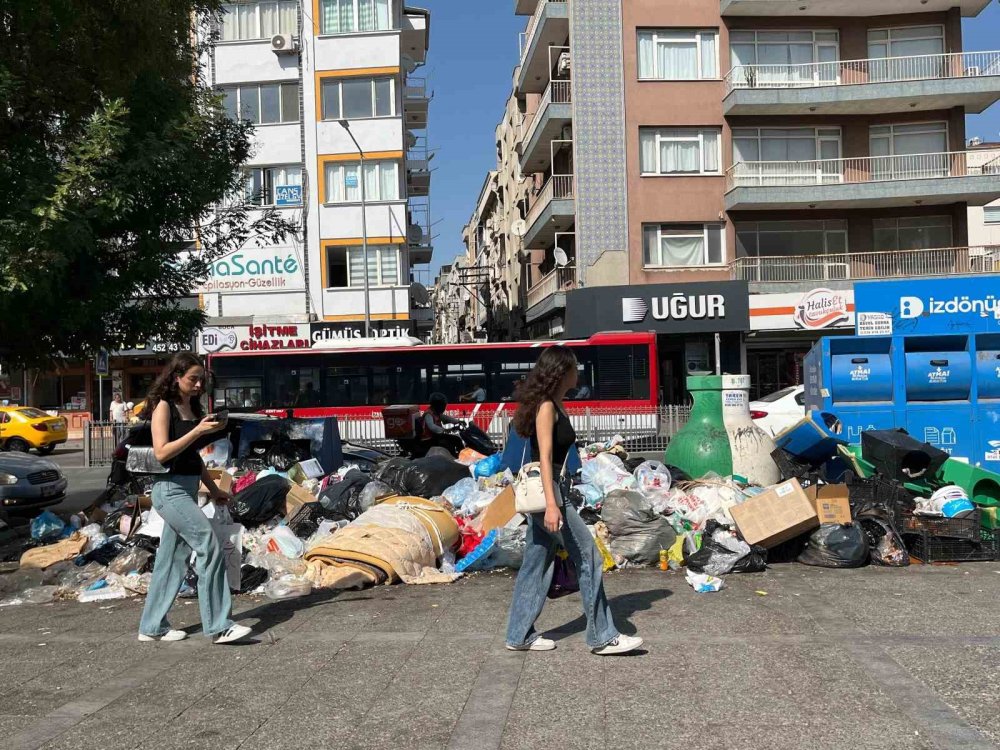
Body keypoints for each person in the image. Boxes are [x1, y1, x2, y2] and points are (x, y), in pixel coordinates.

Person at [505, 346, 642, 656]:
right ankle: (602, 637)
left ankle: (518, 634)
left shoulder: (556, 404)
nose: (577, 373)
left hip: (556, 489)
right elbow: (544, 457)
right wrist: (553, 505)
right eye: (573, 368)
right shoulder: (546, 408)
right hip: (549, 493)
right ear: (560, 372)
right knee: (589, 558)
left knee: (536, 563)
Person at [137, 352, 252, 645]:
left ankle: (151, 627)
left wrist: (213, 490)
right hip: (169, 489)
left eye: (202, 379)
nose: (199, 384)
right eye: (193, 379)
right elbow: (162, 452)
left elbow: (192, 458)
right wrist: (199, 429)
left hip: (186, 488)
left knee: (172, 560)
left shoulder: (191, 407)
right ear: (176, 378)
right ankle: (219, 625)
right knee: (208, 545)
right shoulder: (164, 407)